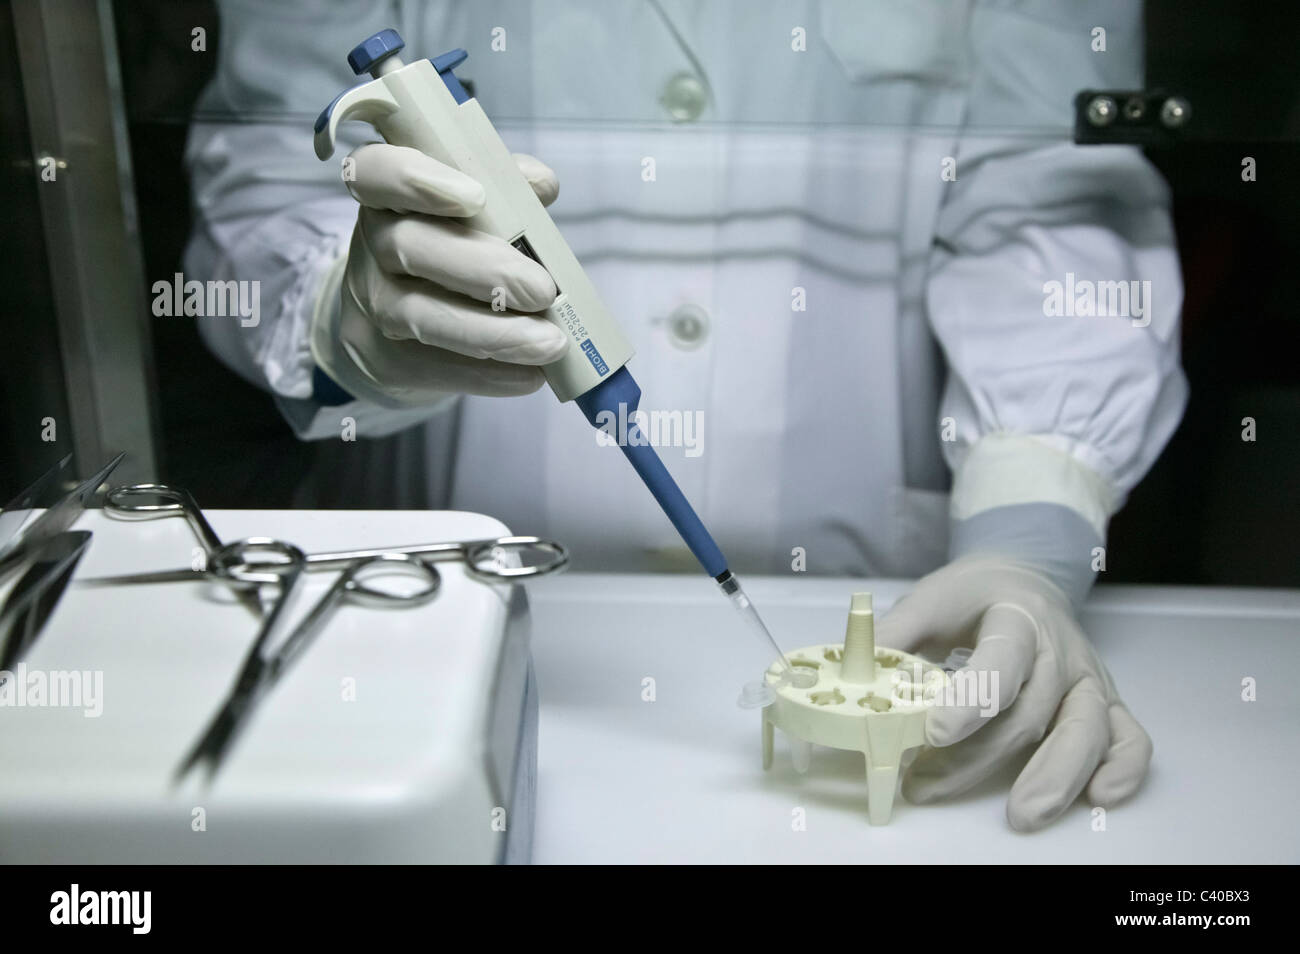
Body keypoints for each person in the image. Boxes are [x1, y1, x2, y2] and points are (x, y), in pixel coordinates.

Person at [185, 0, 1185, 830]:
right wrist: (342, 314)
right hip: (446, 633)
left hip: (876, 583)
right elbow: (270, 175)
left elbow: (1047, 208)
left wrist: (1027, 531)